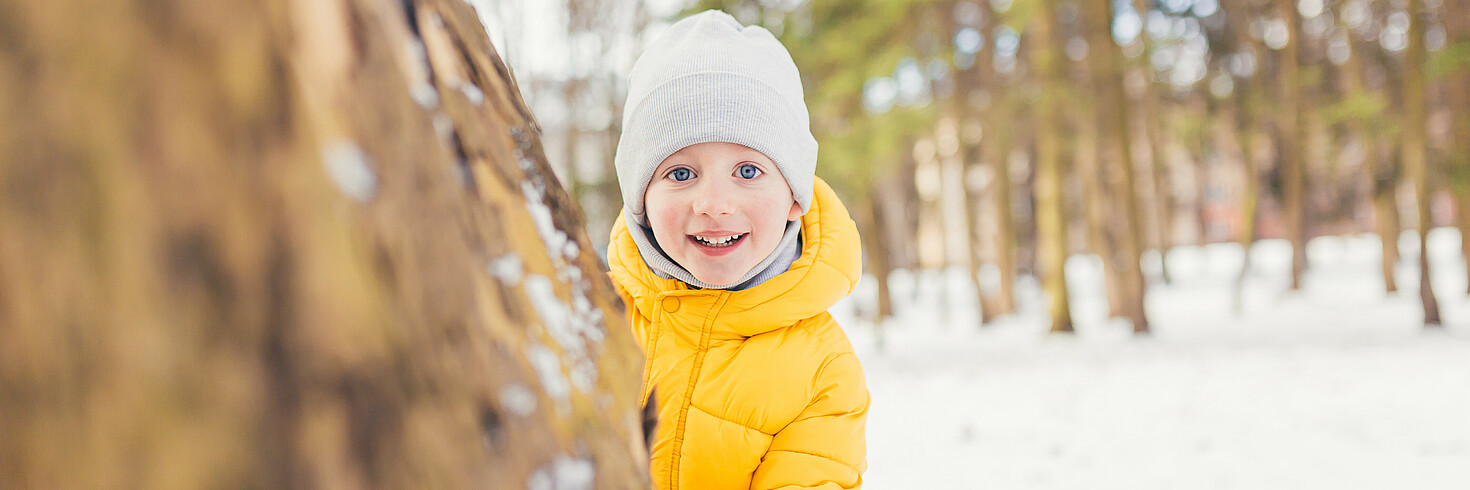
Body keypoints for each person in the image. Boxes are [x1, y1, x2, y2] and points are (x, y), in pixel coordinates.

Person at [606, 9, 868, 490]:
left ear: (794, 196)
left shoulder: (823, 373)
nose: (715, 205)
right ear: (640, 197)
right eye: (681, 174)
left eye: (747, 172)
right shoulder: (592, 315)